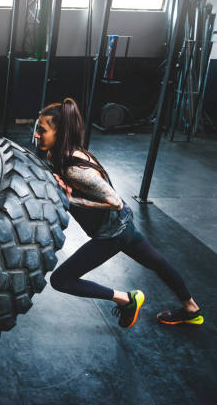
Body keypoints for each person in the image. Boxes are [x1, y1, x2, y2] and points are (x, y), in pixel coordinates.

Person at [34, 98, 203, 328]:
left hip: (112, 232)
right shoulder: (60, 154)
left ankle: (126, 299)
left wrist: (70, 198)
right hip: (122, 225)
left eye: (41, 130)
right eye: (36, 128)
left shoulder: (74, 167)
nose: (36, 135)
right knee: (158, 262)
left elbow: (115, 202)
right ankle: (192, 309)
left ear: (60, 132)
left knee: (61, 279)